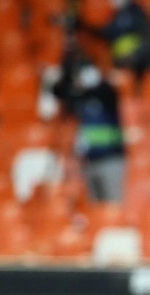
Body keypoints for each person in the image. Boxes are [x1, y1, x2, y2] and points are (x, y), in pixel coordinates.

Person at [50, 54, 126, 204]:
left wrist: (93, 81)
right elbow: (59, 92)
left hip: (111, 158)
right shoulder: (81, 99)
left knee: (113, 207)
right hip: (89, 161)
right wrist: (67, 77)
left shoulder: (105, 95)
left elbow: (108, 91)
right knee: (94, 208)